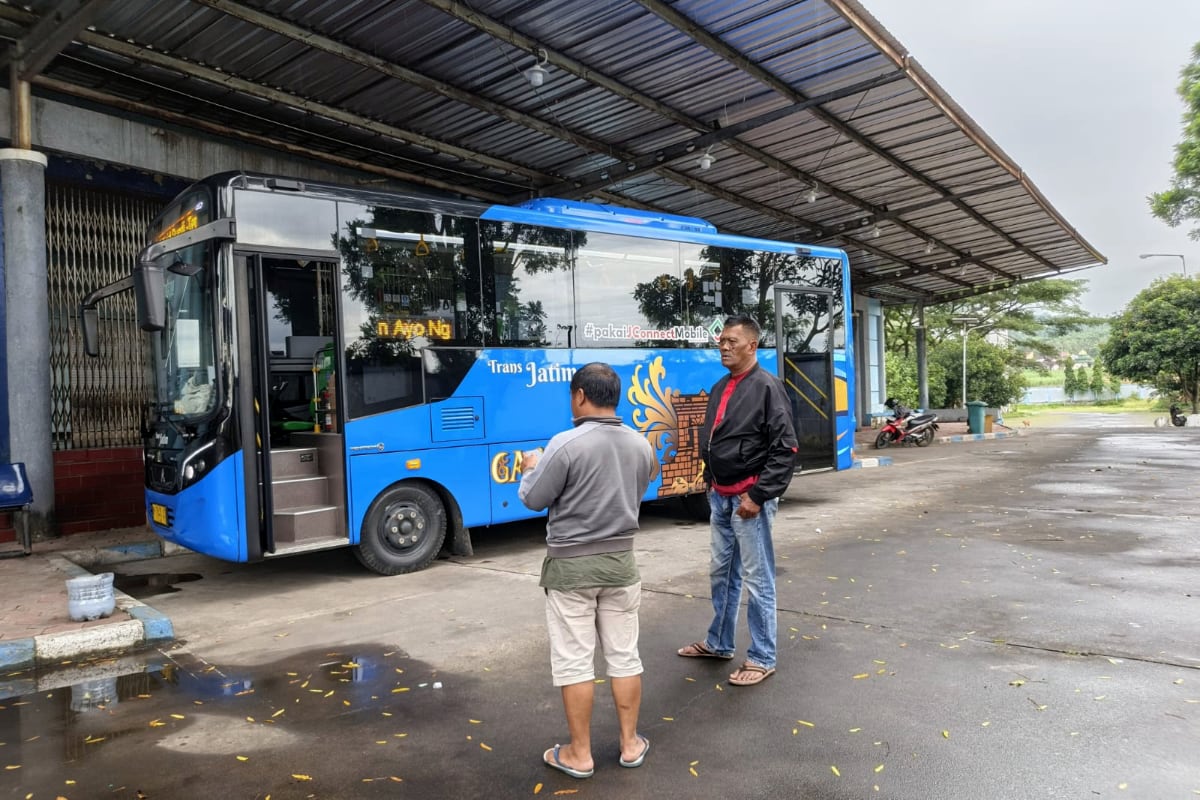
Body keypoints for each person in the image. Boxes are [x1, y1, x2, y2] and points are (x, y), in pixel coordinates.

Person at [519, 362, 659, 779]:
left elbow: (533, 498)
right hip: (621, 565)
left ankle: (580, 754)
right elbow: (645, 481)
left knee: (575, 662)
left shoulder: (565, 444)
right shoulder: (640, 444)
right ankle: (630, 743)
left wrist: (530, 465)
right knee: (624, 655)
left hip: (571, 571)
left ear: (580, 396)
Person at [677, 314, 798, 687]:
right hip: (722, 497)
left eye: (732, 341)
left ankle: (762, 657)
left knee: (758, 580)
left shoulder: (767, 387)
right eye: (722, 341)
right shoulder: (720, 387)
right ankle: (719, 642)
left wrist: (759, 496)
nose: (724, 347)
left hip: (749, 501)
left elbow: (786, 448)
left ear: (752, 346)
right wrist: (712, 481)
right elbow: (713, 438)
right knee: (721, 574)